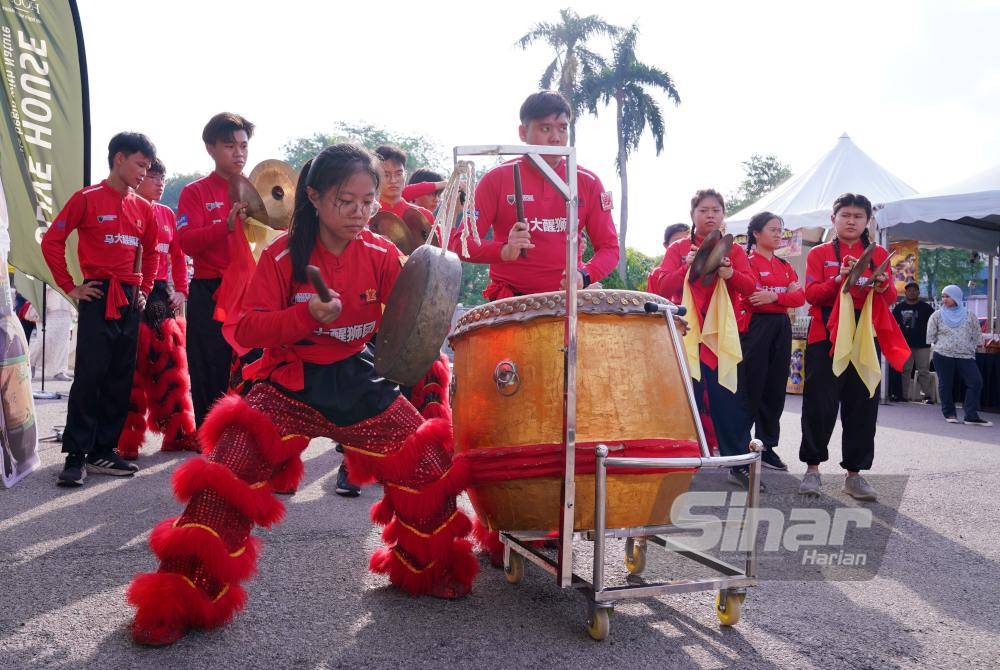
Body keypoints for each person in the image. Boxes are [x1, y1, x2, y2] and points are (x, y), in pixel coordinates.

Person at [127, 144, 477, 646]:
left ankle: (429, 566)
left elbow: (412, 323)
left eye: (367, 202)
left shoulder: (383, 256)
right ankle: (181, 598)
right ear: (313, 197)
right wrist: (304, 318)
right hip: (288, 381)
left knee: (427, 467)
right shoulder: (281, 255)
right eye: (345, 202)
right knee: (223, 478)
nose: (359, 214)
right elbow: (245, 330)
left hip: (358, 379)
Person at [41, 132, 160, 487]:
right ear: (119, 158)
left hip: (130, 298)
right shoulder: (86, 198)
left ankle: (102, 451)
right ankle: (76, 455)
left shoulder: (145, 208)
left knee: (119, 378)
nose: (144, 173)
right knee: (90, 377)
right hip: (97, 295)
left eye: (149, 167)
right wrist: (69, 285)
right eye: (140, 164)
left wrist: (146, 288)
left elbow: (154, 253)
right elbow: (52, 241)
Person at [449, 90, 620, 298]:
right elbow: (460, 244)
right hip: (510, 302)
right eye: (545, 128)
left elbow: (610, 248)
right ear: (523, 132)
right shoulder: (496, 179)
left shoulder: (587, 181)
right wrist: (504, 251)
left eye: (563, 128)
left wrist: (583, 276)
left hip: (569, 303)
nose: (556, 138)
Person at [797, 193, 907, 501]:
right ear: (833, 219)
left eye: (859, 216)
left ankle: (854, 475)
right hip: (826, 336)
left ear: (868, 221)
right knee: (820, 404)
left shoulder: (878, 252)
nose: (851, 220)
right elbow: (811, 294)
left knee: (862, 404)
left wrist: (883, 286)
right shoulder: (819, 253)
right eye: (845, 214)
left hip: (864, 336)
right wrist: (837, 280)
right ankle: (813, 469)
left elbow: (889, 300)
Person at [647, 189, 757, 489]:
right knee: (683, 401)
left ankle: (738, 464)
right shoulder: (680, 248)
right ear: (692, 214)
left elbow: (749, 286)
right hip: (685, 333)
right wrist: (687, 266)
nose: (711, 215)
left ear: (724, 215)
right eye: (704, 210)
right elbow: (659, 284)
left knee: (729, 401)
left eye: (717, 210)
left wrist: (731, 273)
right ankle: (677, 465)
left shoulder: (734, 250)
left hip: (720, 337)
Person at [116, 158, 199, 459]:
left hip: (161, 296)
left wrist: (181, 290)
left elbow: (178, 255)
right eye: (153, 176)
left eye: (162, 178)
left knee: (170, 366)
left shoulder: (167, 214)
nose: (159, 183)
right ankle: (124, 441)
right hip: (131, 292)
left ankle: (177, 434)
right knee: (131, 368)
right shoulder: (125, 207)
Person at [177, 112, 254, 426]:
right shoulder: (195, 192)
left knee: (252, 367)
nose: (238, 152)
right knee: (210, 366)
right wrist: (224, 226)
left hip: (250, 294)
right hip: (211, 290)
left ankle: (248, 434)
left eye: (243, 146)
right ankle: (211, 438)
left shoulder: (261, 191)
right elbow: (186, 242)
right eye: (229, 146)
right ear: (210, 148)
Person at [740, 212, 804, 471]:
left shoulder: (785, 265)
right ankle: (741, 445)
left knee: (775, 387)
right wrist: (782, 295)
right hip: (755, 327)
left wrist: (775, 298)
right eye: (773, 229)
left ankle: (767, 447)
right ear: (756, 233)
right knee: (750, 386)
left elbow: (800, 298)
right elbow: (753, 297)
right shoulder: (747, 262)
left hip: (781, 327)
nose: (779, 234)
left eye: (781, 230)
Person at [926, 285, 992, 426]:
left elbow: (977, 335)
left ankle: (971, 416)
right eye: (943, 296)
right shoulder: (937, 315)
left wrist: (974, 346)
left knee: (976, 382)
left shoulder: (969, 315)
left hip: (965, 355)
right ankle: (949, 413)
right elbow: (930, 336)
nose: (944, 299)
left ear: (956, 297)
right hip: (943, 354)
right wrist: (943, 345)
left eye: (947, 296)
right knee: (946, 384)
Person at [891, 281, 935, 403]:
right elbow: (893, 325)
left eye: (914, 290)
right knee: (905, 370)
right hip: (905, 345)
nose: (912, 292)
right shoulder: (899, 307)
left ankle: (927, 396)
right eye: (909, 290)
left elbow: (934, 323)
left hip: (923, 344)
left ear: (918, 292)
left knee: (923, 370)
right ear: (905, 292)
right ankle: (904, 396)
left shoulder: (926, 307)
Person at [375, 145, 435, 223]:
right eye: (386, 175)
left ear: (405, 176)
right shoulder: (365, 216)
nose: (393, 180)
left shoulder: (424, 216)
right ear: (375, 177)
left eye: (398, 174)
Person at [28, 285, 73, 381]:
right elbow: (39, 289)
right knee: (43, 340)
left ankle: (60, 371)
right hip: (48, 310)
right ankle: (30, 363)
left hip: (66, 310)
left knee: (63, 343)